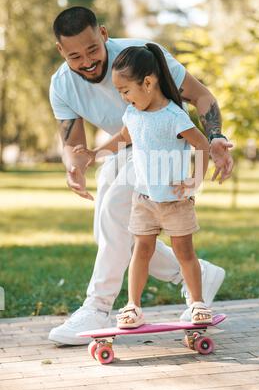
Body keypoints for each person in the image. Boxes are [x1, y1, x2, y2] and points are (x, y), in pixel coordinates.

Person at [48, 6, 233, 344]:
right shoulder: (61, 85)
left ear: (103, 34)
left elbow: (201, 96)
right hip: (124, 148)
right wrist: (74, 166)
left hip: (160, 149)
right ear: (61, 51)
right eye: (75, 56)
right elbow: (74, 144)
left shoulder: (142, 58)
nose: (87, 61)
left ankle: (98, 305)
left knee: (113, 210)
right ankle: (196, 274)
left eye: (92, 49)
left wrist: (215, 135)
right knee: (116, 231)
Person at [74, 43, 213, 328]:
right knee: (140, 252)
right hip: (144, 200)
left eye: (125, 91)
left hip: (175, 202)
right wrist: (93, 154)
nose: (124, 98)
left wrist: (194, 181)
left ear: (148, 82)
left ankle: (198, 302)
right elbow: (123, 139)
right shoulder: (133, 115)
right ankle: (133, 307)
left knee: (185, 254)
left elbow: (201, 144)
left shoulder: (173, 115)